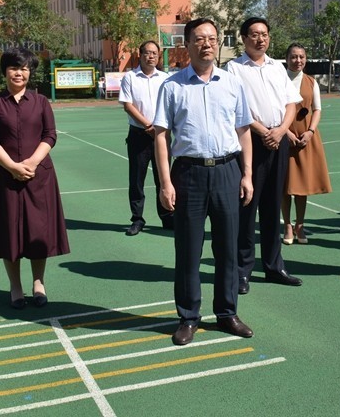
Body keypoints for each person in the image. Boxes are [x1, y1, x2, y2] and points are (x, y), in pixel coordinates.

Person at [153, 18, 255, 346]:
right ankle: (188, 316)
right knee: (188, 249)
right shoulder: (172, 86)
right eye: (199, 39)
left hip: (227, 170)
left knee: (227, 247)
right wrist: (165, 183)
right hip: (189, 174)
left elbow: (243, 130)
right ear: (188, 44)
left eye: (212, 38)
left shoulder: (233, 83)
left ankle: (227, 313)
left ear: (219, 42)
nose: (206, 44)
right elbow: (161, 135)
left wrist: (247, 173)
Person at [0, 48, 70, 310]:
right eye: (13, 67)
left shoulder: (41, 101)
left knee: (38, 231)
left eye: (24, 68)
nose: (19, 72)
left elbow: (50, 134)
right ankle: (15, 286)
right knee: (10, 232)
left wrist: (31, 163)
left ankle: (39, 282)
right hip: (4, 177)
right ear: (5, 71)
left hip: (38, 176)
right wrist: (11, 167)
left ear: (30, 72)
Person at [226, 17, 303, 293]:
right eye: (255, 34)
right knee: (248, 207)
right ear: (244, 38)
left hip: (278, 140)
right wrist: (264, 132)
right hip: (251, 143)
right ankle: (243, 271)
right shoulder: (233, 69)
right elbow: (237, 111)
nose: (261, 39)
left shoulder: (277, 68)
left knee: (273, 207)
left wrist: (281, 130)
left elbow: (291, 103)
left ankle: (274, 266)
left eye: (265, 34)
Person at [119, 40, 173, 236]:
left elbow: (171, 105)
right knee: (137, 180)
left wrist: (159, 129)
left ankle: (167, 216)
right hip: (139, 136)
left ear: (158, 56)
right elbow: (128, 105)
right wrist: (148, 126)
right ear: (140, 55)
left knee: (164, 177)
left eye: (154, 53)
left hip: (162, 135)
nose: (151, 56)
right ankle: (137, 219)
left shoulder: (166, 78)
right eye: (147, 53)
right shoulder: (130, 78)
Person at [282, 44, 332, 245]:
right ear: (286, 58)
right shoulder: (278, 80)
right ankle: (287, 225)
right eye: (294, 57)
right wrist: (284, 132)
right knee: (285, 186)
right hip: (283, 138)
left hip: (305, 139)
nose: (298, 60)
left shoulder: (311, 82)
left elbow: (317, 109)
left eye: (302, 56)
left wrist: (310, 131)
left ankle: (300, 225)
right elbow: (273, 110)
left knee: (302, 185)